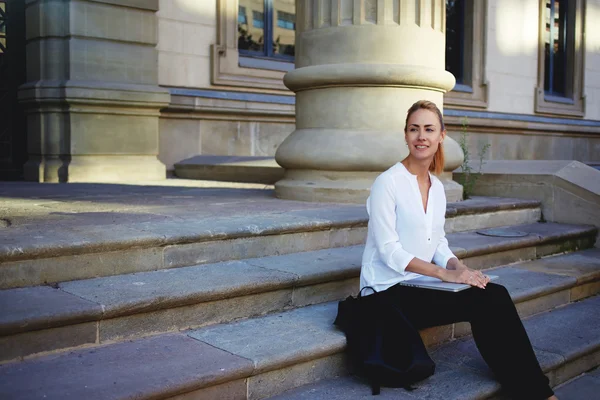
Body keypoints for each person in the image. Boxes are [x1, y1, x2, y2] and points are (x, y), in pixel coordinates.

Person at [360, 100, 558, 400]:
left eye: (429, 129)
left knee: (492, 294)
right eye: (414, 129)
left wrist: (459, 268)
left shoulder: (437, 187)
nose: (421, 136)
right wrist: (443, 274)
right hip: (385, 293)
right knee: (489, 301)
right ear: (405, 135)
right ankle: (536, 393)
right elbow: (390, 252)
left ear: (442, 135)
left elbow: (437, 243)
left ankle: (530, 389)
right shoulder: (387, 183)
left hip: (417, 284)